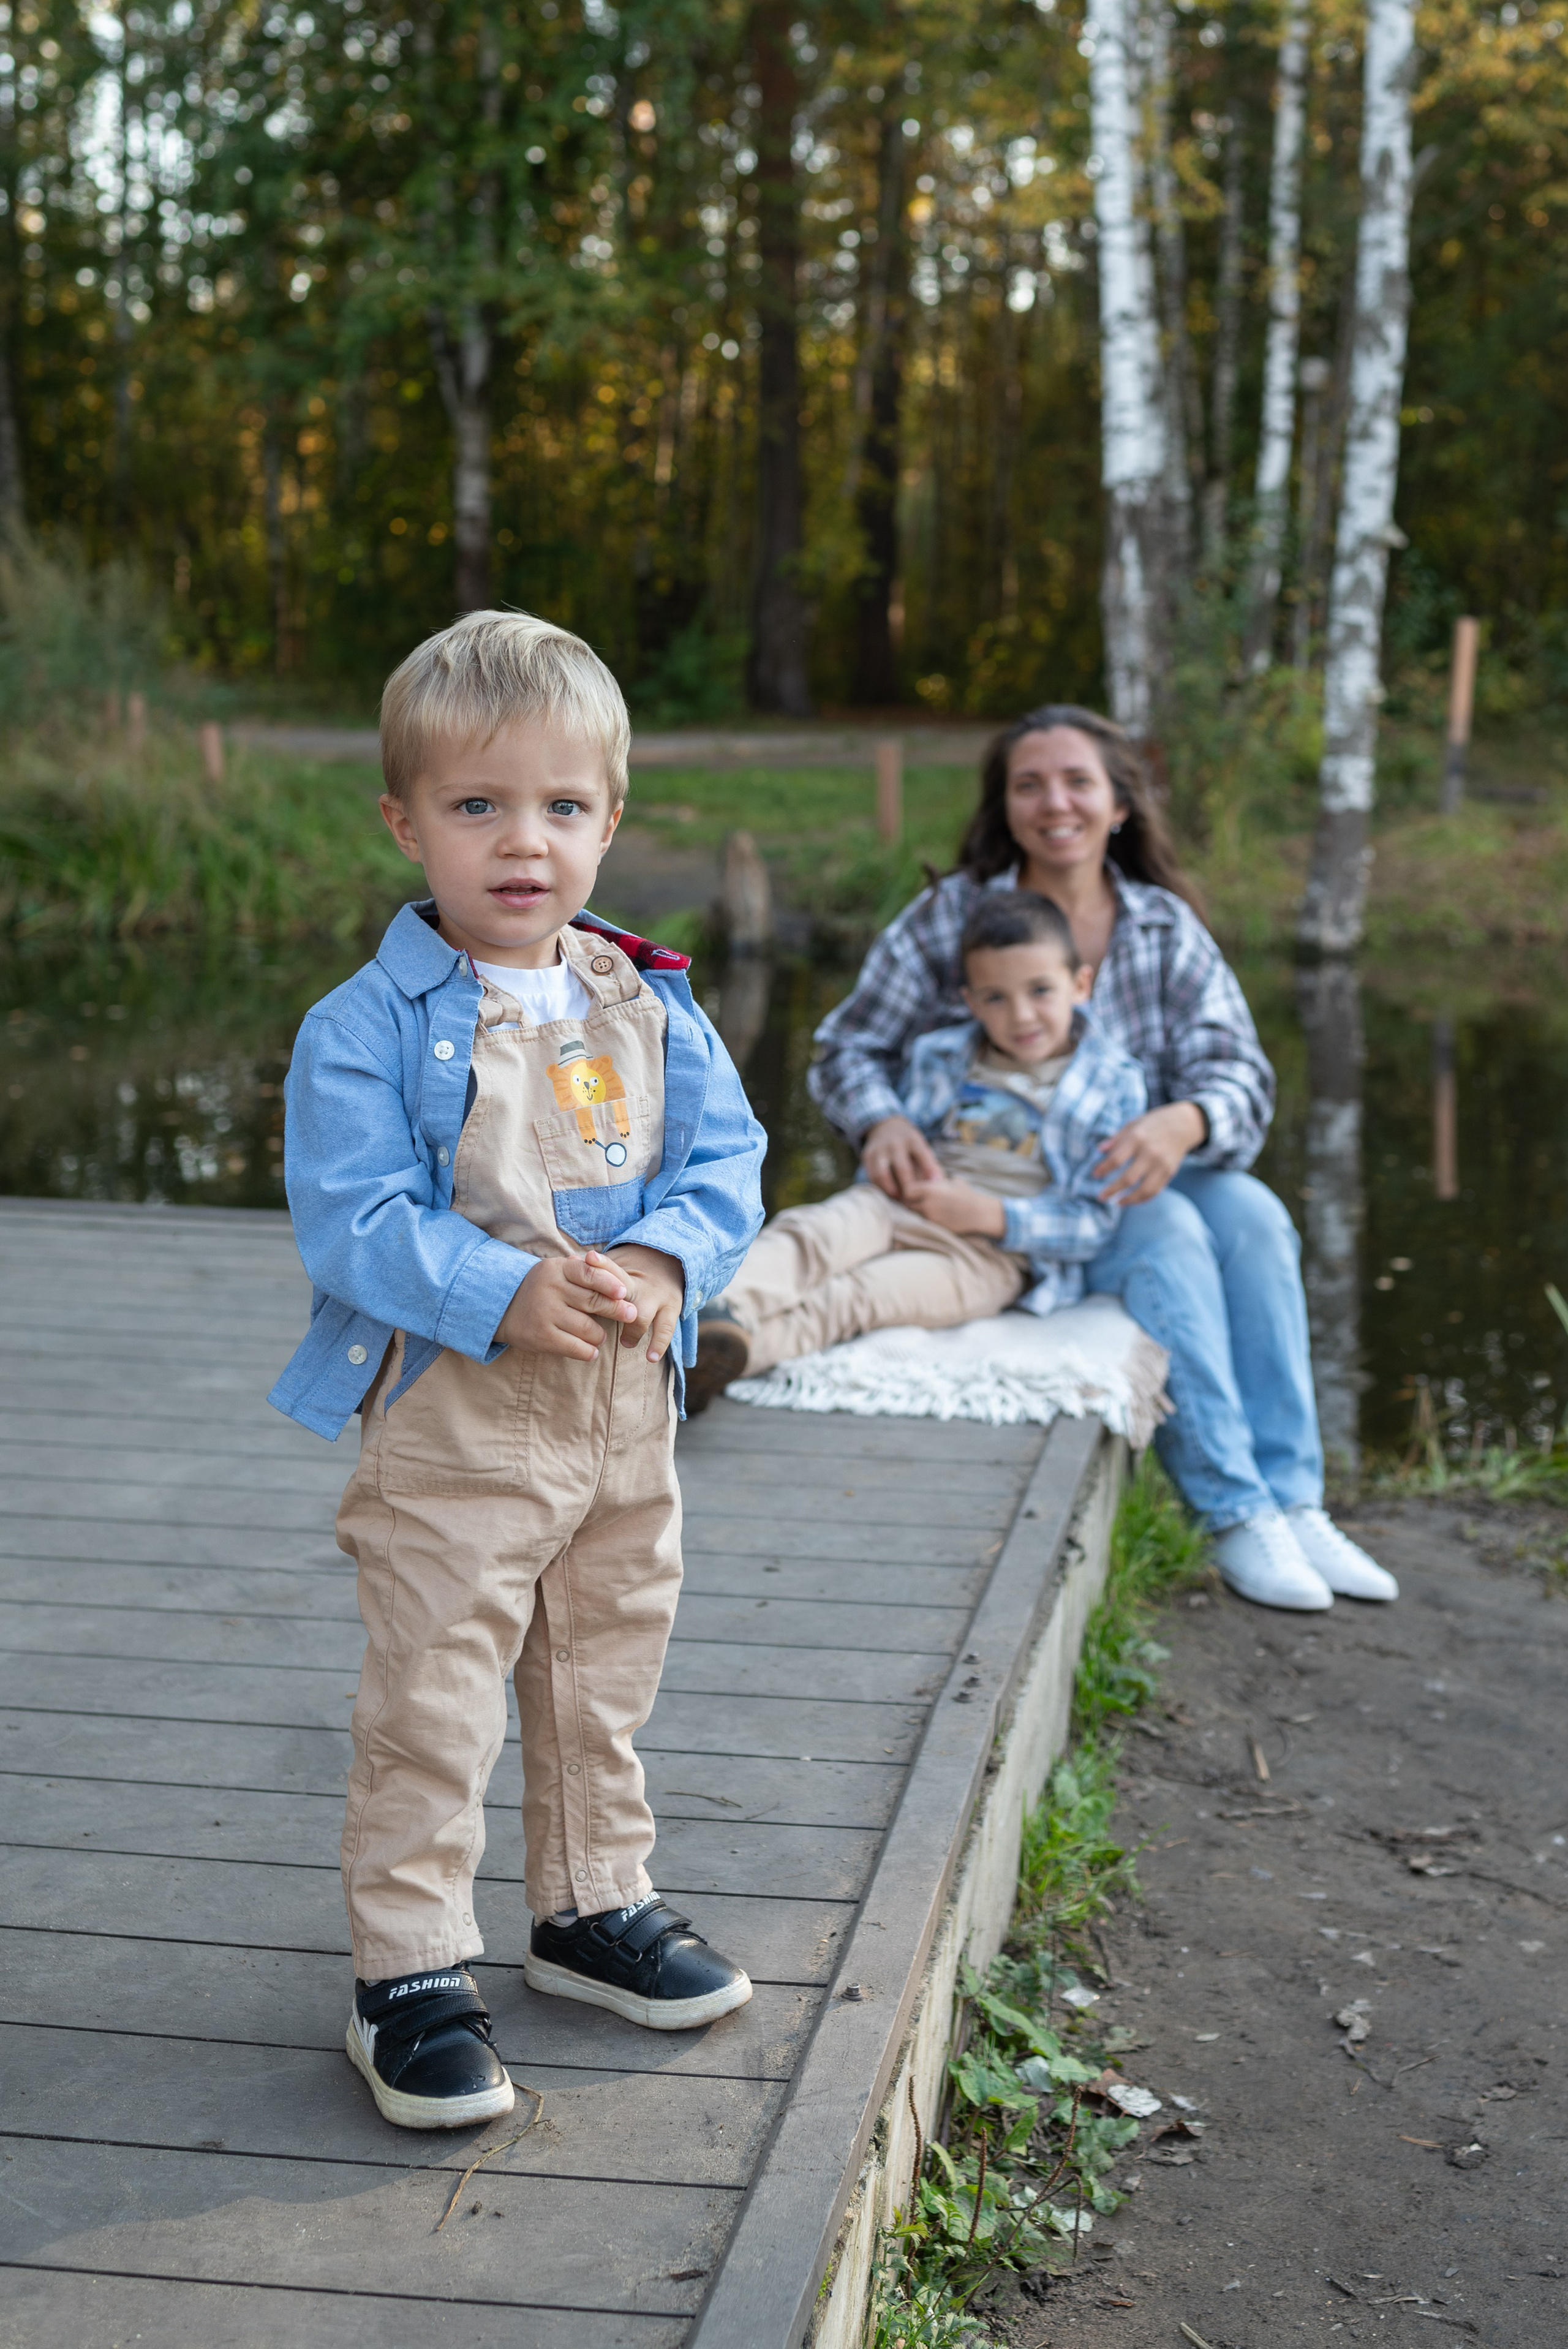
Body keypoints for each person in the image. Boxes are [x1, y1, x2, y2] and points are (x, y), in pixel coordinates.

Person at [268, 610, 767, 2131]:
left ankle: (587, 1900)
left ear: (608, 820)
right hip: (457, 1418)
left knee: (600, 1664)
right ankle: (410, 1968)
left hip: (624, 1407)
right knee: (436, 1692)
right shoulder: (365, 1026)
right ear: (405, 821)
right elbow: (354, 1215)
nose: (521, 842)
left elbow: (725, 1161)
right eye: (477, 805)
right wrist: (497, 1290)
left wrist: (668, 1263)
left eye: (560, 805)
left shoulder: (647, 999)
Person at [798, 704, 1396, 1615]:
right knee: (1169, 1230)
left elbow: (1239, 1071)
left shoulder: (1161, 925)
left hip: (1135, 1162)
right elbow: (848, 1046)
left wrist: (1185, 1121)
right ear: (1005, 806)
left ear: (1119, 803)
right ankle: (1233, 1511)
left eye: (1078, 782)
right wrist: (879, 1122)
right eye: (1029, 785)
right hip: (1016, 1185)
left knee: (1255, 1216)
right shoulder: (953, 915)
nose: (1056, 803)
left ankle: (1294, 1501)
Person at [689, 889, 1145, 1394]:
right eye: (996, 997)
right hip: (900, 1202)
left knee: (858, 1297)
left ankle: (712, 1362)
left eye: (1040, 990)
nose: (1021, 1015)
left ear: (1080, 984)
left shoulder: (1112, 1085)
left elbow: (1093, 1221)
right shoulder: (942, 1054)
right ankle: (713, 1308)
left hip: (990, 1255)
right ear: (971, 1001)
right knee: (813, 1233)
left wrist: (991, 1215)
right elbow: (902, 1135)